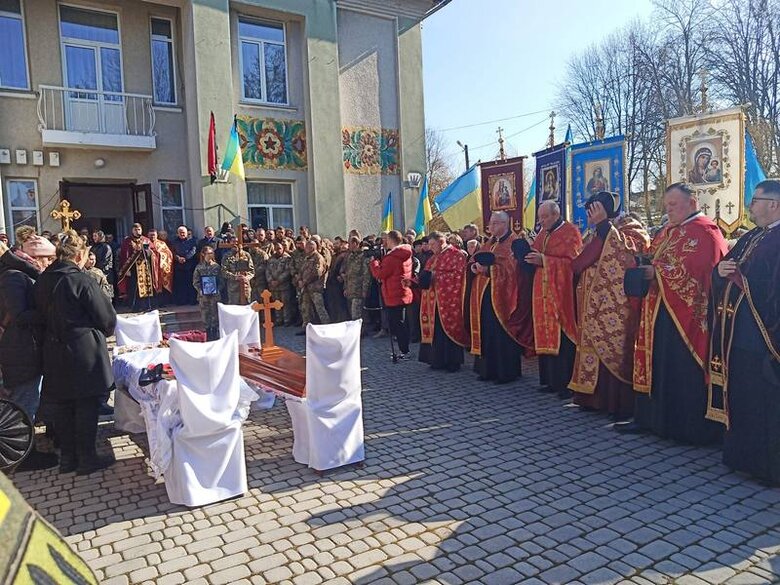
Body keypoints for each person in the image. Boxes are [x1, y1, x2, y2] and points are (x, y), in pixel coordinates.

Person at [619, 182, 729, 444]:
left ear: (692, 203)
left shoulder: (706, 233)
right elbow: (656, 257)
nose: (668, 210)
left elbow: (702, 273)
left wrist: (657, 273)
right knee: (657, 364)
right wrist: (639, 262)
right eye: (666, 205)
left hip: (685, 318)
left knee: (678, 367)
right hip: (657, 312)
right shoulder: (668, 231)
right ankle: (651, 419)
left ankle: (682, 426)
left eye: (673, 205)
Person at [708, 180, 780, 484]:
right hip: (737, 333)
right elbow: (726, 267)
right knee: (742, 393)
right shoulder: (753, 235)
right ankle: (741, 456)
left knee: (764, 399)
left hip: (763, 336)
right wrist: (720, 273)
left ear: (774, 204)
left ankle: (768, 466)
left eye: (756, 200)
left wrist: (743, 281)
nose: (750, 206)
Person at [34, 230, 117, 475]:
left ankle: (68, 459)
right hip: (82, 351)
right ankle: (87, 458)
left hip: (53, 349)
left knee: (62, 405)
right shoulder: (82, 280)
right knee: (86, 405)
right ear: (80, 255)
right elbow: (107, 318)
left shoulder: (42, 280)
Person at [569, 193, 649, 419]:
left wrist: (604, 226)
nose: (590, 217)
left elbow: (630, 252)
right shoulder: (596, 231)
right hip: (592, 302)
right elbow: (580, 262)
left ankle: (616, 403)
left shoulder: (631, 228)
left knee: (614, 347)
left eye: (593, 211)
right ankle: (591, 397)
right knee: (592, 346)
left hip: (616, 304)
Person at [0, 237, 59, 470]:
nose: (50, 263)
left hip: (23, 348)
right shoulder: (13, 277)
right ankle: (22, 457)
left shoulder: (19, 272)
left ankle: (23, 450)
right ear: (36, 257)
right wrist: (48, 313)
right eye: (48, 258)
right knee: (24, 403)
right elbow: (19, 314)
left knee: (28, 401)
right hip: (20, 351)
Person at [526, 201, 583, 398]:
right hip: (541, 293)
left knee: (562, 338)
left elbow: (573, 264)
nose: (541, 222)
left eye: (544, 217)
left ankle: (566, 383)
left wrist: (545, 261)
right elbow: (535, 253)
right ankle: (549, 380)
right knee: (544, 334)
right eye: (540, 217)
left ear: (556, 214)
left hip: (560, 294)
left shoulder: (570, 233)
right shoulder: (543, 233)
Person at [469, 211, 534, 383]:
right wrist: (474, 266)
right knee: (488, 331)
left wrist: (489, 270)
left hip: (505, 296)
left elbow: (513, 270)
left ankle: (506, 373)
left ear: (505, 224)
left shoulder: (514, 243)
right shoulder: (490, 242)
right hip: (486, 294)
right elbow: (477, 259)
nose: (491, 227)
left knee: (501, 334)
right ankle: (488, 370)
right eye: (491, 223)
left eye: (495, 223)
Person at [417, 231, 468, 372]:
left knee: (448, 331)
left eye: (433, 244)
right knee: (437, 331)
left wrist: (436, 276)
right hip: (433, 302)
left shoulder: (456, 255)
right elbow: (426, 275)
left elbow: (459, 276)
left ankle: (453, 362)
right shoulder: (433, 258)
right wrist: (413, 282)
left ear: (441, 242)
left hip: (448, 301)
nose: (430, 247)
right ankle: (437, 360)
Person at [369, 230, 413, 360]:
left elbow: (380, 274)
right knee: (400, 322)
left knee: (397, 323)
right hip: (401, 291)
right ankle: (404, 349)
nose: (384, 242)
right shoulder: (404, 253)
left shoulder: (393, 257)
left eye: (386, 239)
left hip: (394, 293)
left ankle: (405, 350)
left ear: (391, 240)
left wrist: (374, 263)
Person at [117, 224, 154, 312]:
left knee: (146, 286)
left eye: (139, 229)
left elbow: (153, 252)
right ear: (132, 231)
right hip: (132, 269)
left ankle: (146, 305)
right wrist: (127, 270)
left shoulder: (146, 240)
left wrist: (147, 251)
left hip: (144, 268)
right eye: (135, 230)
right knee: (133, 288)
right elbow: (124, 256)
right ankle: (135, 306)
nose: (137, 231)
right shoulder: (127, 241)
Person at [297, 239, 330, 334]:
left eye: (307, 246)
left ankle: (326, 327)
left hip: (315, 287)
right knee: (305, 308)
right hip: (306, 288)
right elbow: (301, 271)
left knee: (320, 308)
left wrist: (305, 281)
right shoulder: (306, 258)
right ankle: (306, 327)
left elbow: (317, 272)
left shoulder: (318, 258)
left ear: (312, 247)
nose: (305, 248)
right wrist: (299, 280)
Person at [192, 245, 221, 340]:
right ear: (203, 254)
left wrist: (218, 289)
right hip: (203, 296)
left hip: (215, 295)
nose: (210, 255)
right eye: (208, 253)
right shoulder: (199, 267)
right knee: (205, 315)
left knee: (215, 314)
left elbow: (221, 281)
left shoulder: (216, 266)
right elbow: (195, 281)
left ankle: (215, 334)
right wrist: (200, 290)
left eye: (211, 253)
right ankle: (207, 335)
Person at [341, 236, 371, 324]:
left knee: (356, 315)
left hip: (358, 290)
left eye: (349, 243)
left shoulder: (363, 256)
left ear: (355, 243)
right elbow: (348, 273)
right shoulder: (350, 256)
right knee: (352, 313)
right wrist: (345, 287)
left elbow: (366, 275)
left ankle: (359, 332)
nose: (348, 245)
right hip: (350, 289)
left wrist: (365, 290)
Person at [266, 242, 295, 326]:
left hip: (283, 285)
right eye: (276, 249)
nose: (278, 250)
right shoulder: (271, 258)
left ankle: (287, 319)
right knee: (276, 303)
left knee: (285, 303)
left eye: (279, 248)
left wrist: (278, 280)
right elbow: (267, 271)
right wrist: (270, 280)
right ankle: (279, 319)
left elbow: (288, 271)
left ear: (283, 248)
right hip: (273, 286)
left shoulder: (287, 258)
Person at [170, 225, 197, 305]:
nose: (182, 234)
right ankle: (181, 301)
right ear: (177, 233)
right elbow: (172, 252)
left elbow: (193, 250)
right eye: (180, 233)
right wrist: (178, 258)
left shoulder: (192, 241)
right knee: (180, 286)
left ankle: (191, 301)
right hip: (179, 267)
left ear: (186, 233)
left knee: (190, 284)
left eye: (183, 233)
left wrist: (185, 258)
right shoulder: (174, 242)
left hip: (190, 266)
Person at [325, 239, 349, 323]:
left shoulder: (344, 256)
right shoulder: (334, 256)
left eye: (337, 243)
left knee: (341, 304)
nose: (335, 245)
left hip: (339, 283)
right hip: (332, 282)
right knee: (334, 303)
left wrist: (340, 276)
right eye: (334, 243)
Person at [147, 229, 173, 306]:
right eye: (150, 235)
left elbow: (169, 254)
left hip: (160, 269)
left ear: (156, 235)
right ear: (148, 235)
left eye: (154, 235)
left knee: (161, 286)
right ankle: (151, 303)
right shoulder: (145, 243)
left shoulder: (162, 244)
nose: (152, 236)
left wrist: (159, 255)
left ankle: (162, 303)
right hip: (149, 269)